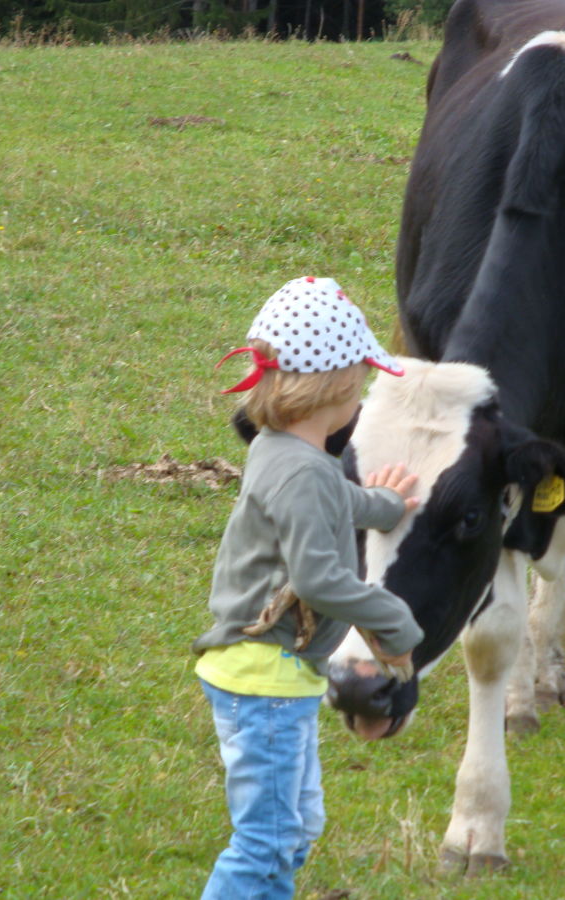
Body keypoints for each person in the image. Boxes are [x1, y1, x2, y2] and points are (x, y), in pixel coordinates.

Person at [193, 276, 424, 899]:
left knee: (296, 829)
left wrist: (381, 504)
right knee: (265, 847)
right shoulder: (299, 471)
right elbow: (320, 579)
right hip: (265, 681)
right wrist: (393, 624)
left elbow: (332, 496)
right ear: (342, 388)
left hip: (269, 678)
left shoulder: (283, 450)